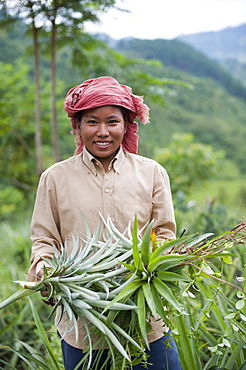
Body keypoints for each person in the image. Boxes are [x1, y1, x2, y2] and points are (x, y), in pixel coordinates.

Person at [27, 76, 182, 370]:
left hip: (146, 322)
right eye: (91, 122)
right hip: (82, 326)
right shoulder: (55, 178)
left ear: (126, 125)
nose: (103, 132)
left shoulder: (151, 173)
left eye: (112, 122)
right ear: (77, 126)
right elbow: (44, 240)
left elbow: (164, 234)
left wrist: (158, 262)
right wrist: (46, 270)